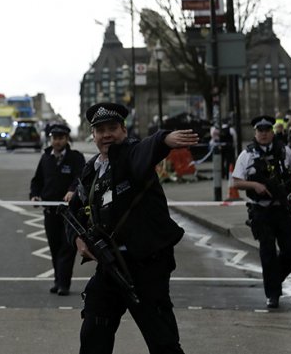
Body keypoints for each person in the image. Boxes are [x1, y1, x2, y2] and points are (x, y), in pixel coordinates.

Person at [68, 102, 198, 354]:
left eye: (113, 128)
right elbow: (73, 213)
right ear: (92, 135)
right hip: (110, 265)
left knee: (163, 341)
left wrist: (164, 139)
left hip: (146, 265)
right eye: (100, 130)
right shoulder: (90, 170)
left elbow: (147, 149)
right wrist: (78, 240)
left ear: (124, 131)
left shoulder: (130, 156)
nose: (107, 134)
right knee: (94, 332)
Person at [231, 115, 291, 309]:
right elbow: (235, 182)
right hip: (261, 211)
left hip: (283, 209)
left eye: (267, 130)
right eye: (260, 130)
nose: (263, 134)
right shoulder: (247, 155)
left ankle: (274, 281)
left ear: (272, 131)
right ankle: (272, 294)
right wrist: (254, 185)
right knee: (268, 252)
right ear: (255, 132)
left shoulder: (284, 151)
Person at [30, 123, 86, 296]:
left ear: (67, 139)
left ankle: (64, 284)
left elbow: (81, 177)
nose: (57, 141)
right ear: (51, 139)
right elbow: (37, 180)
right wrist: (34, 195)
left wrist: (72, 190)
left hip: (69, 213)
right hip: (50, 211)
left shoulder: (75, 157)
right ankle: (57, 280)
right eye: (55, 138)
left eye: (61, 138)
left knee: (67, 248)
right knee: (54, 247)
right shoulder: (46, 157)